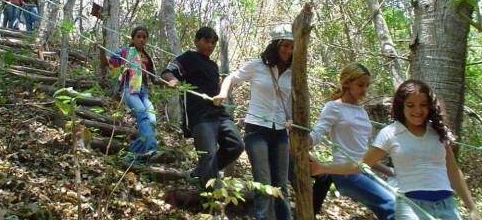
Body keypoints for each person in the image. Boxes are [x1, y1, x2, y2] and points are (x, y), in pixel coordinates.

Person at [311, 80, 479, 220]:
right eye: (411, 105)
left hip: (446, 204)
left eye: (423, 105)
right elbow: (360, 165)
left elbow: (454, 171)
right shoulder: (390, 133)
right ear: (401, 106)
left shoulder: (438, 131)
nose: (417, 110)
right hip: (410, 205)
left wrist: (472, 207)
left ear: (430, 107)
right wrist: (324, 167)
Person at [213, 24, 293, 220]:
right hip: (257, 129)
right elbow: (231, 78)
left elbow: (292, 100)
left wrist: (291, 119)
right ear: (275, 45)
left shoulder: (294, 72)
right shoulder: (258, 66)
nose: (288, 51)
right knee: (264, 182)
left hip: (281, 131)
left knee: (281, 183)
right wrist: (223, 93)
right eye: (285, 46)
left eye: (292, 47)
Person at [309, 63, 396, 220]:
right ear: (347, 83)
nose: (364, 90)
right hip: (345, 173)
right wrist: (302, 139)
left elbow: (364, 154)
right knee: (390, 204)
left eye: (367, 85)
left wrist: (390, 172)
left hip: (363, 171)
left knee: (399, 205)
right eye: (360, 85)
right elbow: (317, 134)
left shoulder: (362, 111)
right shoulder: (333, 107)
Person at [162, 27, 244, 189]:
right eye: (206, 41)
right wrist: (173, 81)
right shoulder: (188, 57)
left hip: (219, 113)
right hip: (200, 116)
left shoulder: (213, 66)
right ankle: (214, 200)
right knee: (208, 155)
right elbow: (167, 72)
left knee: (236, 145)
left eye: (213, 43)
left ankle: (200, 172)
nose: (210, 45)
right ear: (197, 41)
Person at [102, 26, 168, 163]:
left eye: (144, 37)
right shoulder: (125, 52)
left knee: (152, 121)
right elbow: (109, 64)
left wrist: (169, 83)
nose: (142, 39)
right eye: (139, 36)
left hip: (144, 92)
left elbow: (154, 79)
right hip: (129, 89)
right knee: (143, 115)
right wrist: (101, 51)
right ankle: (151, 149)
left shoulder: (147, 57)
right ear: (133, 38)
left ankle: (132, 154)